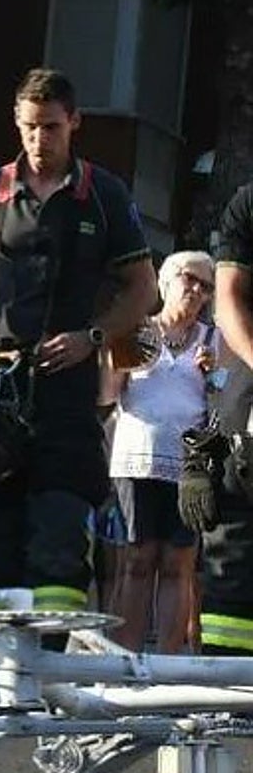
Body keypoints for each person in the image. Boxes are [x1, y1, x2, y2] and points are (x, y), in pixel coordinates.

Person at [0, 67, 157, 614]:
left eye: (52, 128)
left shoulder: (104, 193)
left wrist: (94, 337)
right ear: (17, 123)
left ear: (75, 123)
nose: (40, 140)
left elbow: (143, 288)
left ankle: (47, 676)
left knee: (59, 541)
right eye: (30, 127)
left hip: (66, 391)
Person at [102, 250, 215, 651]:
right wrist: (113, 358)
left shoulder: (212, 341)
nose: (197, 291)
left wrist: (213, 374)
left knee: (177, 564)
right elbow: (108, 395)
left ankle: (168, 666)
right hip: (136, 459)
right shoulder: (138, 331)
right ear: (165, 282)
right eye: (190, 279)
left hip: (189, 465)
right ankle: (125, 660)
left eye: (206, 286)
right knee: (136, 561)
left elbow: (223, 400)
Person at [179, 184, 253, 655]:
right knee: (232, 569)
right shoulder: (247, 204)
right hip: (243, 425)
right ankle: (227, 702)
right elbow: (228, 301)